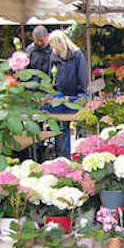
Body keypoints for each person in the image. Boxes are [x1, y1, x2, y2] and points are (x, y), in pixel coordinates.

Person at [46, 30, 89, 158]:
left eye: (54, 45)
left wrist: (81, 92)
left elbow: (82, 76)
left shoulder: (77, 55)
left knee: (81, 125)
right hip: (60, 96)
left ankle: (82, 154)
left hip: (76, 95)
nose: (53, 48)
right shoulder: (54, 57)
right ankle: (63, 156)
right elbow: (51, 76)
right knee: (62, 128)